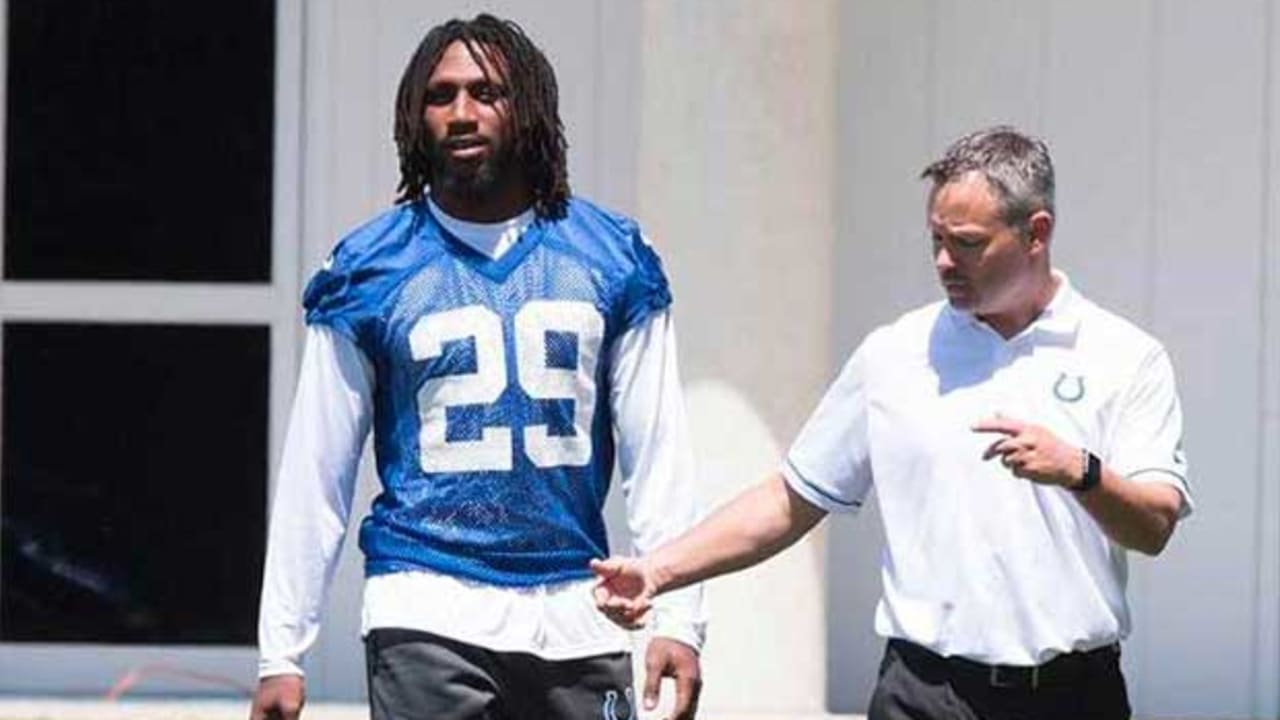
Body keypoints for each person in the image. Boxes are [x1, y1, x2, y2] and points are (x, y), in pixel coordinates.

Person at [592, 126, 1193, 720]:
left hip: (1069, 697)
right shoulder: (894, 353)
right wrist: (658, 570)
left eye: (967, 243)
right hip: (921, 692)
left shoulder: (1124, 356)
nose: (943, 261)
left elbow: (1154, 525)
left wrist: (1079, 472)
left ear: (1037, 233)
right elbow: (788, 499)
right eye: (935, 238)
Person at [250, 14, 705, 720]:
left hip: (579, 608)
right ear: (412, 116)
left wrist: (679, 615)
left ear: (529, 107)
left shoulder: (612, 254)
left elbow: (660, 450)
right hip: (426, 604)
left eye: (486, 92)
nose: (461, 113)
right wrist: (282, 649)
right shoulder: (371, 266)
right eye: (441, 95)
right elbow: (317, 466)